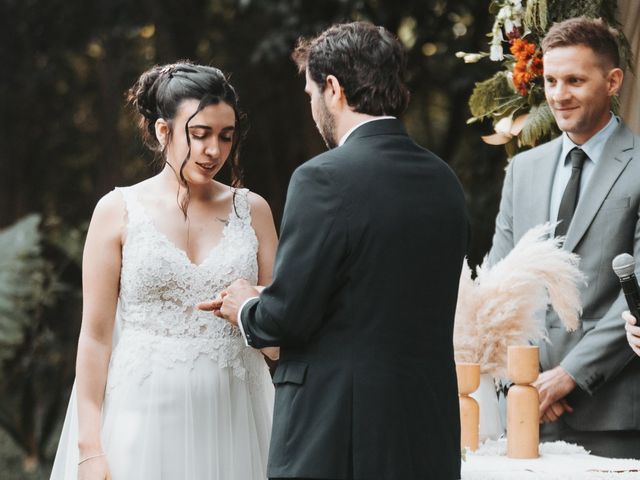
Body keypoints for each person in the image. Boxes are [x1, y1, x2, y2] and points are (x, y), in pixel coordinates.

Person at [199, 22, 468, 480]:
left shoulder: (323, 178)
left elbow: (288, 317)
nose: (312, 109)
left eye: (309, 95)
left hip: (338, 439)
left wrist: (247, 305)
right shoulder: (444, 179)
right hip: (428, 433)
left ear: (333, 89)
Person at [50, 62, 279, 480]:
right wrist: (90, 447)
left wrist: (258, 306)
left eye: (226, 137)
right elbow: (95, 338)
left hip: (237, 417)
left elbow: (282, 328)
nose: (214, 151)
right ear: (162, 131)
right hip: (141, 420)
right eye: (200, 134)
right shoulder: (117, 211)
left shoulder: (254, 211)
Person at [488, 17, 640, 457]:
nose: (558, 95)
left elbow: (638, 293)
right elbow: (501, 286)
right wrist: (525, 377)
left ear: (613, 81)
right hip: (527, 408)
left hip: (613, 413)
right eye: (551, 80)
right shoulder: (522, 169)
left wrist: (568, 375)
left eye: (574, 80)